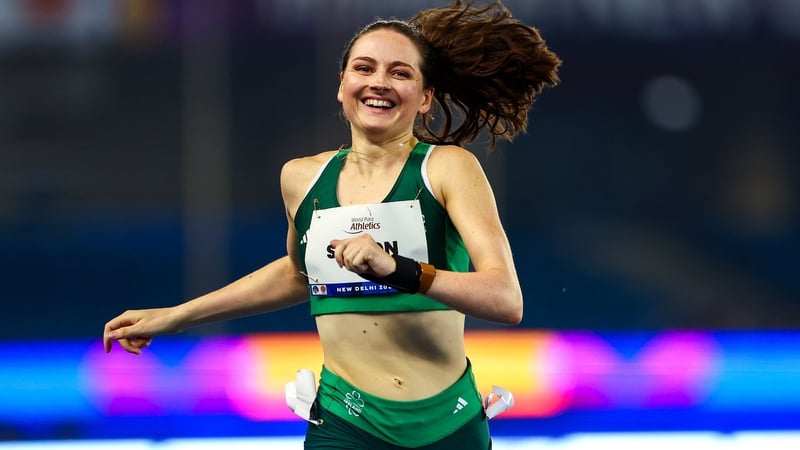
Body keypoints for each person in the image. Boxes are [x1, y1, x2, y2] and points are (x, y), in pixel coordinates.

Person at [103, 1, 561, 448]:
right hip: (345, 424)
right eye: (364, 68)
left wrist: (397, 269)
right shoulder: (301, 178)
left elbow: (505, 299)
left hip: (449, 425)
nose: (379, 82)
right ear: (342, 86)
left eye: (400, 73)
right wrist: (177, 316)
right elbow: (298, 274)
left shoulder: (448, 169)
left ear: (425, 98)